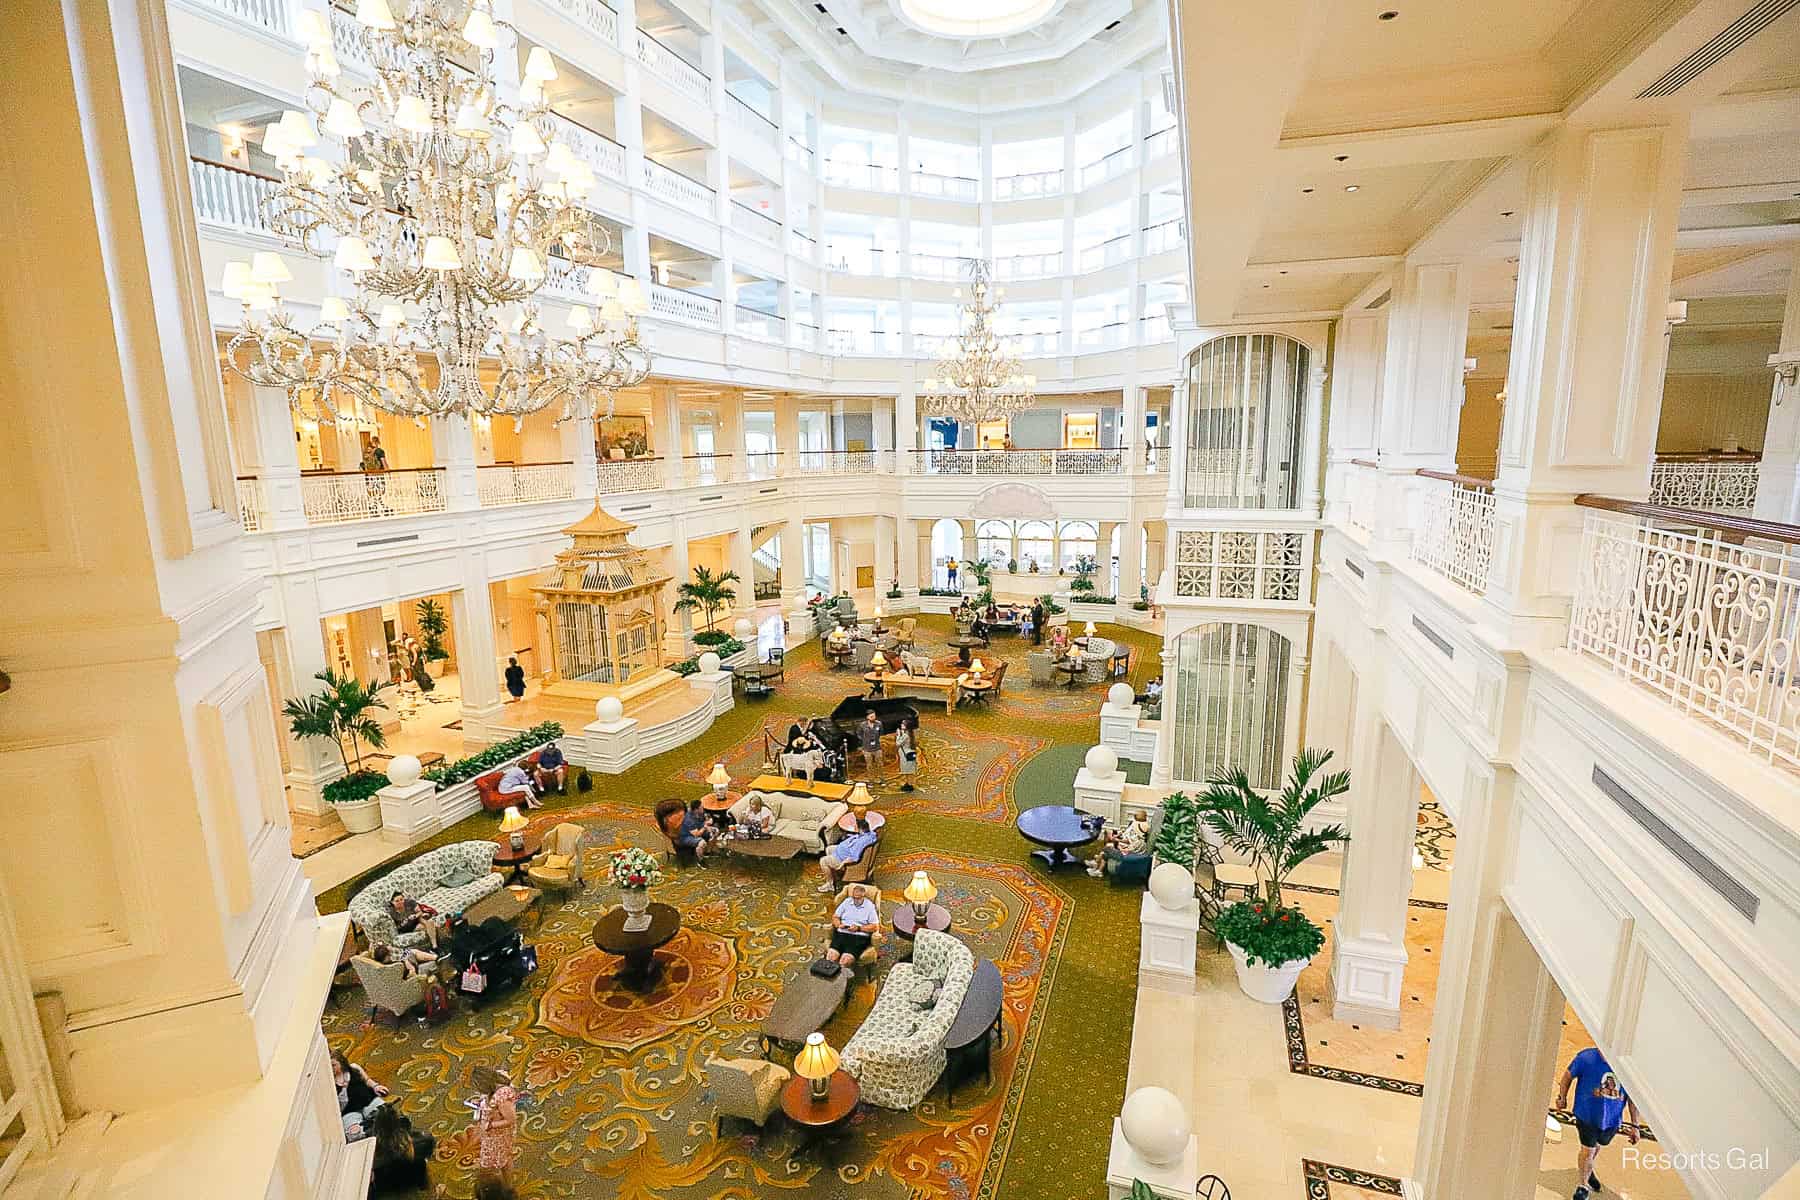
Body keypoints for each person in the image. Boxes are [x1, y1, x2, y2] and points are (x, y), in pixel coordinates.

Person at [1556, 1046, 1640, 1200]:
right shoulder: (1586, 1058)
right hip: (1586, 1116)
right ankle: (1583, 1185)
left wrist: (1635, 1125)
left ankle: (1587, 1169)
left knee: (1597, 1147)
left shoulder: (1627, 1066)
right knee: (1588, 1151)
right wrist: (1562, 1096)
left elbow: (1633, 1098)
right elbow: (1567, 1076)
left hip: (1611, 1122)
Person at [368, 1101, 436, 1195]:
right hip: (405, 1174)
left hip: (384, 1182)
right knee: (425, 1145)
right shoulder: (406, 1144)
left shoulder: (372, 1142)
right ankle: (427, 1189)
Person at [469, 1070, 519, 1186]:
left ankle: (505, 1186)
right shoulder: (494, 1084)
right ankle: (508, 1185)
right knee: (504, 1158)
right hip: (494, 1134)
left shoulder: (501, 1097)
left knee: (495, 1163)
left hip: (498, 1136)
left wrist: (490, 1125)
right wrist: (480, 1102)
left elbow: (511, 1120)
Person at [823, 882, 880, 977]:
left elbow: (875, 926)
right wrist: (839, 925)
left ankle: (841, 982)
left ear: (863, 896)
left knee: (845, 961)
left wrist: (859, 928)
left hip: (858, 937)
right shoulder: (847, 902)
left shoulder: (869, 907)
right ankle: (828, 982)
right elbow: (835, 917)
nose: (855, 900)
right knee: (831, 957)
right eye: (854, 897)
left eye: (858, 898)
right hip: (842, 933)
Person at [818, 817, 879, 892]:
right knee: (829, 849)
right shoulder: (871, 834)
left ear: (859, 829)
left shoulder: (860, 843)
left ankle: (829, 884)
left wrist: (843, 864)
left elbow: (854, 858)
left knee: (823, 861)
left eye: (855, 826)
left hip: (842, 859)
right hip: (843, 851)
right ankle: (833, 873)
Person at [1088, 810, 1150, 878]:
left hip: (1126, 856)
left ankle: (1096, 865)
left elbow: (1129, 851)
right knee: (1106, 851)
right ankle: (1098, 869)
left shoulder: (1139, 842)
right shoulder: (1138, 837)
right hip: (1126, 851)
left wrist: (1118, 845)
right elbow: (1129, 841)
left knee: (1107, 848)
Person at [676, 796, 715, 862]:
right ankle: (700, 860)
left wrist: (709, 819)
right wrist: (705, 827)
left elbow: (706, 816)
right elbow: (697, 834)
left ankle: (708, 852)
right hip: (686, 836)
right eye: (701, 808)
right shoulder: (689, 819)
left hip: (698, 828)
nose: (703, 808)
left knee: (715, 831)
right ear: (696, 809)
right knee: (702, 843)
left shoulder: (699, 812)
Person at [371, 940, 438, 979]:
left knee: (411, 951)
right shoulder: (393, 966)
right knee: (412, 952)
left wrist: (405, 960)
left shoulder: (384, 963)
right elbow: (411, 972)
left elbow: (371, 948)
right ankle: (436, 958)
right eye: (389, 955)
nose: (390, 955)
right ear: (385, 956)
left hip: (408, 964)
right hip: (414, 970)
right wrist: (407, 963)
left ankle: (435, 957)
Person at [895, 715, 919, 792]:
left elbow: (898, 743)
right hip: (911, 753)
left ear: (906, 726)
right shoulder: (910, 733)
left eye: (903, 724)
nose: (901, 725)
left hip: (905, 755)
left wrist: (898, 735)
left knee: (907, 771)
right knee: (910, 770)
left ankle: (909, 785)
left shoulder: (905, 735)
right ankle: (909, 783)